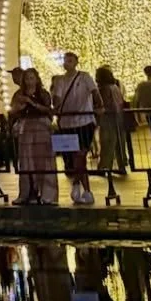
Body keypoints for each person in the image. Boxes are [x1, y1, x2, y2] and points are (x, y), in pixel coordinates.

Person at [50, 52, 96, 205]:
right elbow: (56, 98)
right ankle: (84, 190)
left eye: (70, 60)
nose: (67, 62)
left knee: (80, 155)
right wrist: (55, 107)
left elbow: (94, 92)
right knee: (76, 158)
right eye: (65, 60)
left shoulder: (84, 77)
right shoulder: (60, 80)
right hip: (67, 122)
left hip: (84, 121)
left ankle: (79, 187)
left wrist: (100, 106)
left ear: (76, 62)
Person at [9, 68, 56, 205]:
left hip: (41, 126)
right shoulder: (19, 94)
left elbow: (47, 108)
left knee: (43, 160)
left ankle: (46, 193)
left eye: (31, 78)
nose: (29, 81)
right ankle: (28, 192)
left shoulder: (43, 93)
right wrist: (19, 107)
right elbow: (13, 110)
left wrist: (31, 102)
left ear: (36, 79)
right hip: (26, 127)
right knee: (26, 161)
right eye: (27, 78)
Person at [94, 67, 128, 176]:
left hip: (107, 117)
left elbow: (103, 104)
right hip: (119, 117)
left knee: (107, 143)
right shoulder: (115, 87)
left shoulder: (103, 89)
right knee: (119, 142)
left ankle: (104, 167)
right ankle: (122, 165)